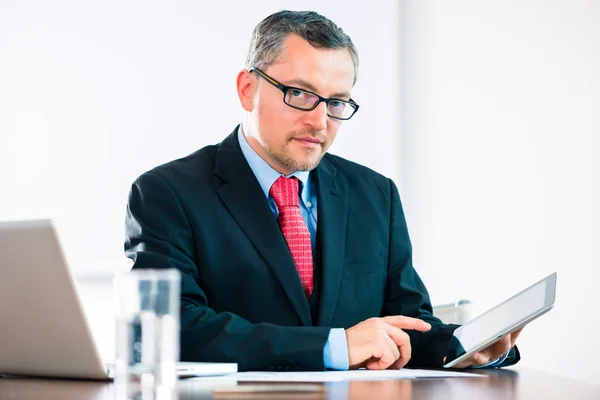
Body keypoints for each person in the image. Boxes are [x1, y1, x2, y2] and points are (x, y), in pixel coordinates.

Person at [124, 10, 521, 371]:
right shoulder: (167, 192)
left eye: (336, 102)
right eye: (299, 93)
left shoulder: (376, 194)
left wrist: (466, 346)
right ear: (247, 88)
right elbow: (170, 329)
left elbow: (406, 321)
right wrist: (335, 346)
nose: (319, 121)